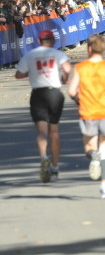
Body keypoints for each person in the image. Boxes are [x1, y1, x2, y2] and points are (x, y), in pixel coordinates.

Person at [67, 34, 105, 199]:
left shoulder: (80, 67)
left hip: (88, 111)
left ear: (89, 48)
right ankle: (104, 187)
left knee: (89, 146)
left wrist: (79, 101)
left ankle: (93, 156)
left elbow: (71, 91)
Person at [15, 29, 71, 182]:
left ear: (38, 41)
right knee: (54, 130)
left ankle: (43, 158)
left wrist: (30, 73)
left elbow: (18, 74)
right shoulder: (58, 54)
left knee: (41, 131)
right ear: (52, 41)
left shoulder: (30, 55)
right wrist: (64, 78)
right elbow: (67, 69)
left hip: (38, 95)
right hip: (54, 94)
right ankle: (55, 166)